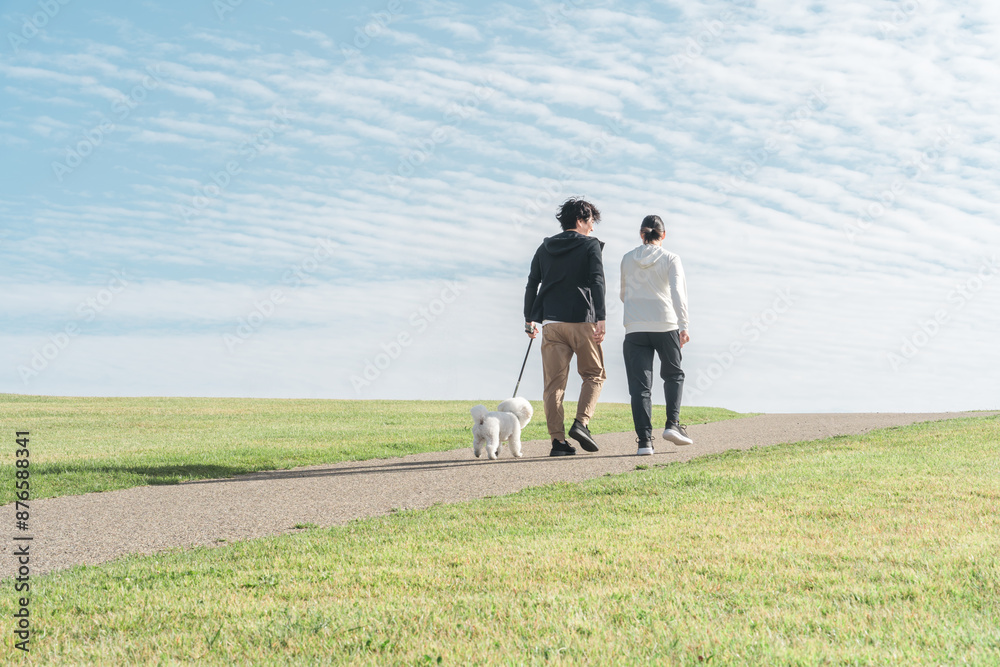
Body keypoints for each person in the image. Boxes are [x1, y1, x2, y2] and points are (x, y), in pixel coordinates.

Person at [524, 198, 606, 457]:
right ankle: (581, 424)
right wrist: (601, 317)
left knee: (553, 385)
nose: (592, 228)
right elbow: (597, 281)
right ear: (581, 221)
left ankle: (558, 442)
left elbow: (532, 283)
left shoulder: (544, 247)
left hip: (551, 324)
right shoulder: (590, 245)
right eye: (591, 222)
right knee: (594, 374)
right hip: (582, 321)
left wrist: (529, 318)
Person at [620, 214, 693, 456]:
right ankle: (672, 425)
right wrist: (684, 326)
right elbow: (678, 293)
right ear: (663, 236)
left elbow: (623, 293)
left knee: (640, 387)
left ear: (641, 234)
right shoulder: (671, 258)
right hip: (665, 324)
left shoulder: (627, 259)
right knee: (673, 375)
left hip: (635, 327)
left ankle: (644, 442)